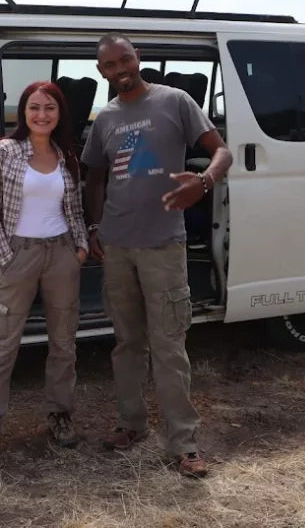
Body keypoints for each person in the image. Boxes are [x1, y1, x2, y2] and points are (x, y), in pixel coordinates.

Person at [81, 32, 233, 479]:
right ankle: (131, 424)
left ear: (137, 57)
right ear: (101, 72)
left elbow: (221, 152)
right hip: (118, 247)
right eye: (110, 65)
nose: (120, 69)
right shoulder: (104, 119)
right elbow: (94, 180)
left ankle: (183, 443)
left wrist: (203, 183)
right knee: (127, 344)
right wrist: (94, 227)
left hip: (164, 246)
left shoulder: (176, 101)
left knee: (169, 346)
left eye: (125, 59)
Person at [0, 81, 90, 462]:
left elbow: (75, 209)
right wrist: (7, 257)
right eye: (34, 107)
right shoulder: (5, 152)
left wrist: (78, 249)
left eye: (49, 108)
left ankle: (61, 415)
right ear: (23, 111)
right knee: (4, 344)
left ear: (60, 113)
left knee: (63, 342)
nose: (41, 115)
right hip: (20, 254)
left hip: (61, 254)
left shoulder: (67, 156)